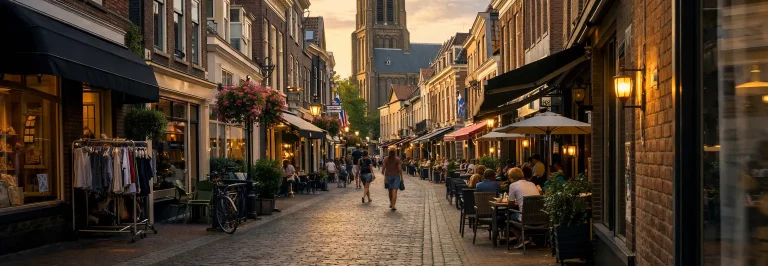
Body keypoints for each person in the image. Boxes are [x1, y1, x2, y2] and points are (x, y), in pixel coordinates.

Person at [507, 166, 542, 249]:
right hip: (539, 216)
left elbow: (510, 204)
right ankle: (525, 238)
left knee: (508, 217)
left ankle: (522, 238)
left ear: (512, 177)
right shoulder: (532, 184)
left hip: (524, 216)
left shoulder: (513, 185)